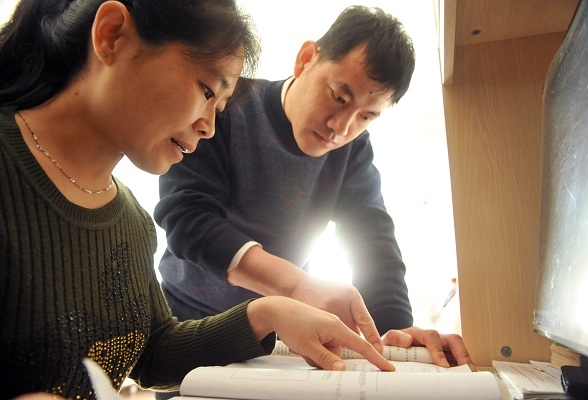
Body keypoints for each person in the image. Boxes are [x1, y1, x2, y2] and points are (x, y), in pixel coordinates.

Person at [0, 1, 398, 399]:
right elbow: (190, 218)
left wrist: (267, 313)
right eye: (207, 91)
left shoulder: (131, 223)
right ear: (111, 35)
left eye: (219, 105)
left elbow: (152, 353)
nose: (208, 126)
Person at [155, 4, 475, 376]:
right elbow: (188, 218)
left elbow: (373, 237)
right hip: (191, 322)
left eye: (366, 116)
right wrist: (296, 286)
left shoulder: (352, 149)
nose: (341, 127)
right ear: (306, 58)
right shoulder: (225, 105)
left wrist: (395, 330)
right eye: (339, 97)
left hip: (280, 335)